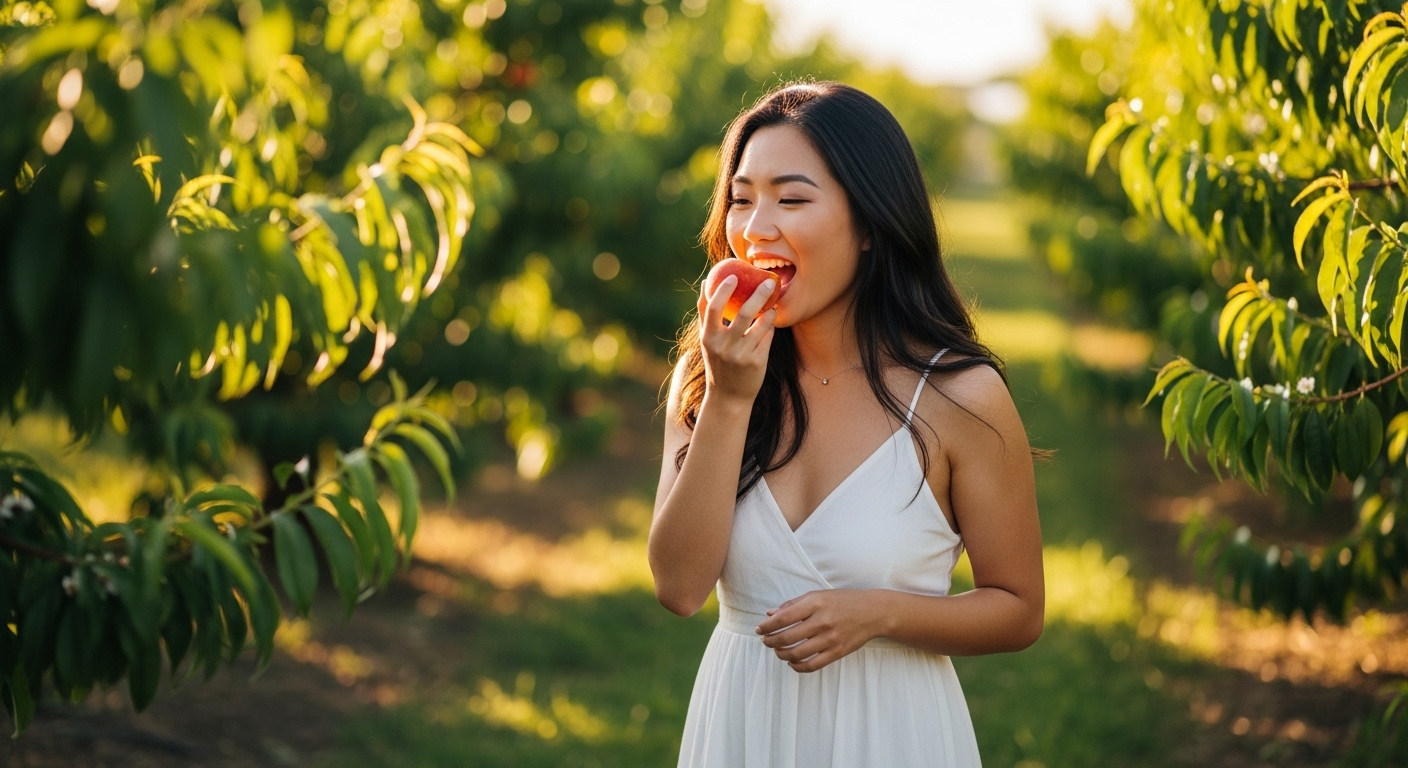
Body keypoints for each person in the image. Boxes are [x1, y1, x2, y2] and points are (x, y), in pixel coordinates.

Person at [648, 81, 1045, 767]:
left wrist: (879, 612)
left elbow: (1018, 609)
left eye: (792, 198)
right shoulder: (707, 377)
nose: (755, 227)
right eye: (741, 198)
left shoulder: (961, 397)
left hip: (891, 734)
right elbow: (680, 587)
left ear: (869, 225)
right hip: (741, 731)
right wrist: (730, 400)